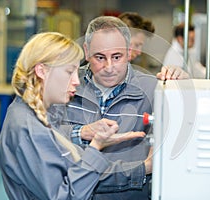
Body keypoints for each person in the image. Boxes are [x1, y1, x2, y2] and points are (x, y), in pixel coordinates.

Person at [0, 32, 154, 200]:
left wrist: (143, 167)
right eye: (69, 72)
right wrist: (95, 147)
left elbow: (83, 173)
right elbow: (65, 196)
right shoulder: (30, 129)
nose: (76, 81)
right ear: (42, 71)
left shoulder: (37, 116)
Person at [60, 16, 189, 199]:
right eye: (100, 57)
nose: (109, 67)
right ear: (87, 51)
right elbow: (46, 136)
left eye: (117, 57)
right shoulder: (65, 86)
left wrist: (181, 88)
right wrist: (81, 132)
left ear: (129, 52)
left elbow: (184, 130)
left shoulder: (153, 89)